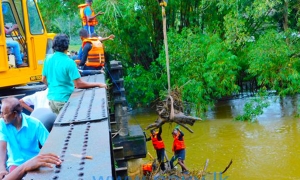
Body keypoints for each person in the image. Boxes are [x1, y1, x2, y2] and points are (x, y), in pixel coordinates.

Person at [42, 34, 107, 114]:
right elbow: (79, 84)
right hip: (63, 100)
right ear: (67, 46)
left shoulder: (47, 59)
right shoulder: (69, 62)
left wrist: (53, 86)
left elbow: (43, 79)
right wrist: (98, 84)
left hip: (51, 100)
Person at [0, 97, 49, 178]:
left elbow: (49, 145)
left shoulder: (35, 124)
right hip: (15, 164)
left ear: (14, 114)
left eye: (4, 113)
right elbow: (2, 147)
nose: (1, 116)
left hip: (34, 161)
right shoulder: (2, 123)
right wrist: (2, 168)